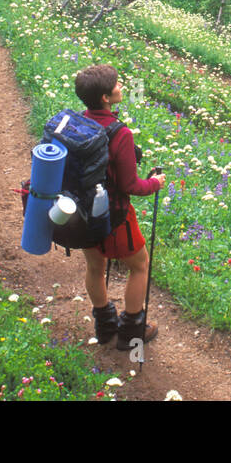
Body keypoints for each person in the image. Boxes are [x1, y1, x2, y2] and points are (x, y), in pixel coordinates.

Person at [74, 64, 165, 351]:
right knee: (140, 266)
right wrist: (155, 182)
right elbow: (131, 186)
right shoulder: (120, 133)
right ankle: (131, 332)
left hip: (82, 212)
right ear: (105, 97)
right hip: (114, 215)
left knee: (95, 266)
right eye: (116, 84)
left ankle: (104, 326)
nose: (121, 86)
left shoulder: (78, 121)